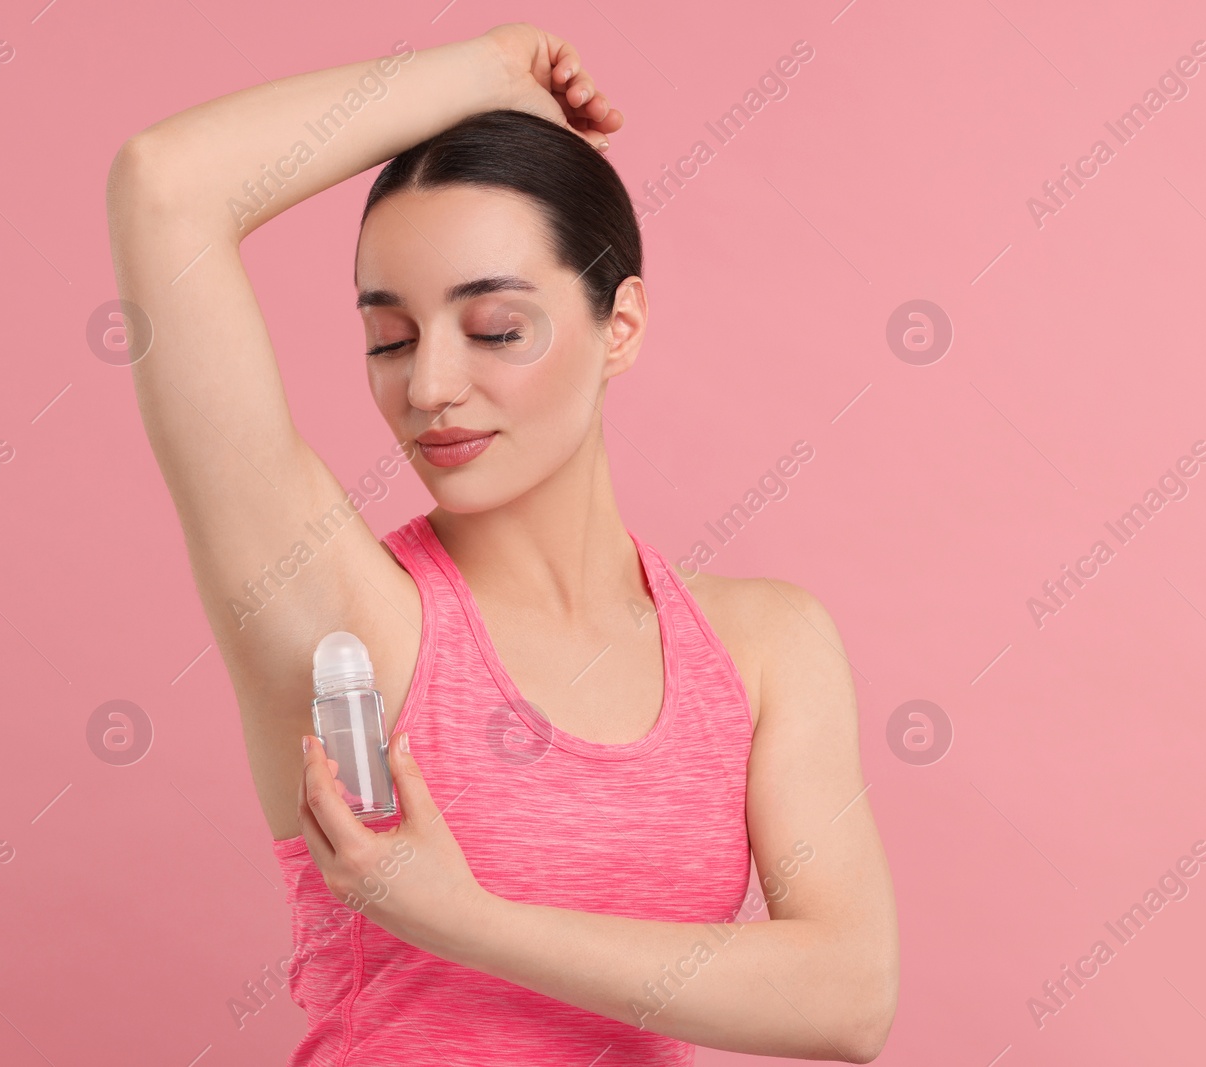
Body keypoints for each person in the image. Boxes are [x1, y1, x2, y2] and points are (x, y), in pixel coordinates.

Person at [104, 21, 898, 1065]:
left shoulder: (762, 644)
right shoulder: (349, 618)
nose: (427, 386)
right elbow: (164, 185)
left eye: (494, 329)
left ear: (620, 324)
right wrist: (482, 76)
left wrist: (462, 917)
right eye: (388, 338)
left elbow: (847, 996)